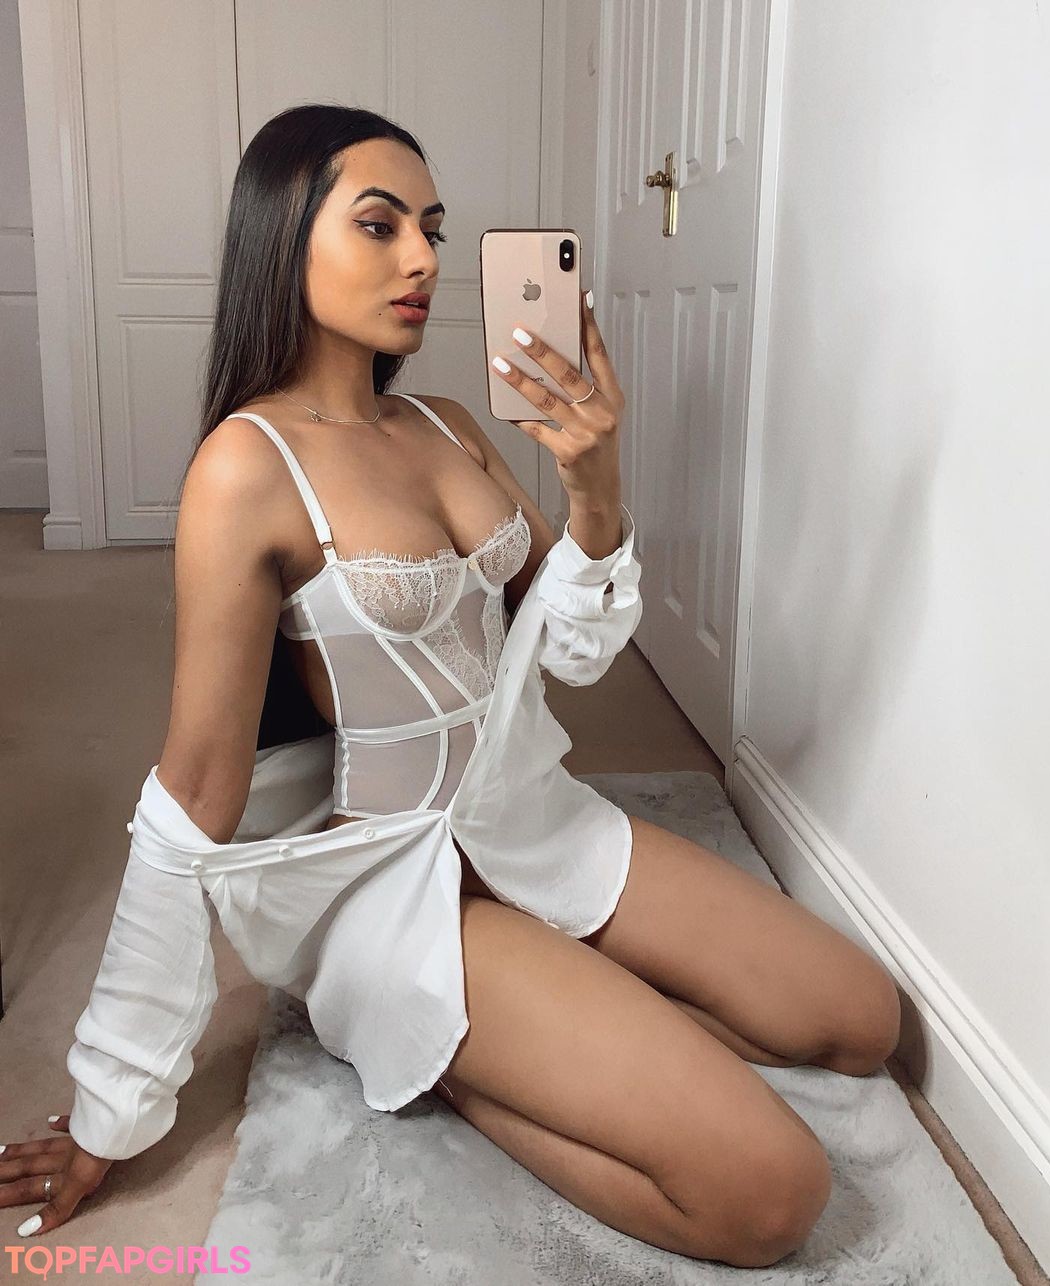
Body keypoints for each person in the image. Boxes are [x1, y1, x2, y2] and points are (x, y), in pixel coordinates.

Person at [3, 105, 900, 1267]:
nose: (423, 258)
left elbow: (569, 650)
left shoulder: (448, 423)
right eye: (379, 225)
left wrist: (596, 485)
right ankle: (441, 1059)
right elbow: (195, 792)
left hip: (528, 819)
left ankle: (542, 1018)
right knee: (771, 1191)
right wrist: (111, 1102)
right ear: (282, 237)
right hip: (393, 881)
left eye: (430, 228)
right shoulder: (246, 466)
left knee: (861, 1021)